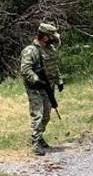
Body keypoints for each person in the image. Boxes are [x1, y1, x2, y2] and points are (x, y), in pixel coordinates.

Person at [20, 23, 64, 156]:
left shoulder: (51, 49)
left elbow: (54, 67)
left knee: (46, 114)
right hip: (36, 88)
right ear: (44, 37)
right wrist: (36, 79)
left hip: (48, 87)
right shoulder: (31, 51)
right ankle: (35, 143)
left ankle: (39, 137)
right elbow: (25, 69)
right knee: (38, 114)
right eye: (51, 36)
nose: (53, 39)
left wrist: (59, 80)